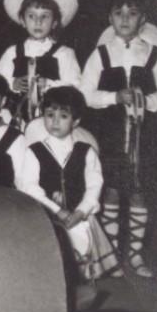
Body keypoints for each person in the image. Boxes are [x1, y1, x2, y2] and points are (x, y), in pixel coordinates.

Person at [79, 0, 157, 277]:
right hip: (108, 131)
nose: (124, 19)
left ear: (142, 20)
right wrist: (114, 97)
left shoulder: (154, 54)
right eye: (118, 13)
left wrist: (146, 101)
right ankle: (111, 256)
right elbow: (84, 93)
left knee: (138, 190)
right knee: (110, 188)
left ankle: (134, 254)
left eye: (132, 13)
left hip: (144, 135)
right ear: (109, 18)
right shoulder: (100, 54)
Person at [20, 86, 118, 284]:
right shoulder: (34, 151)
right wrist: (58, 211)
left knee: (81, 258)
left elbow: (94, 185)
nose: (55, 121)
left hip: (78, 218)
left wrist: (81, 212)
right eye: (49, 115)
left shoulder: (86, 151)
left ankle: (81, 293)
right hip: (47, 218)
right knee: (51, 265)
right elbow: (29, 187)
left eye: (63, 116)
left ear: (76, 121)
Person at [0, 0, 82, 127]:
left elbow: (75, 86)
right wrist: (12, 83)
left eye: (45, 16)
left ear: (55, 22)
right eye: (31, 16)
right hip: (14, 117)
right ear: (22, 20)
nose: (38, 22)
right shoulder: (12, 52)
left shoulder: (64, 53)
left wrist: (49, 85)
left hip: (51, 120)